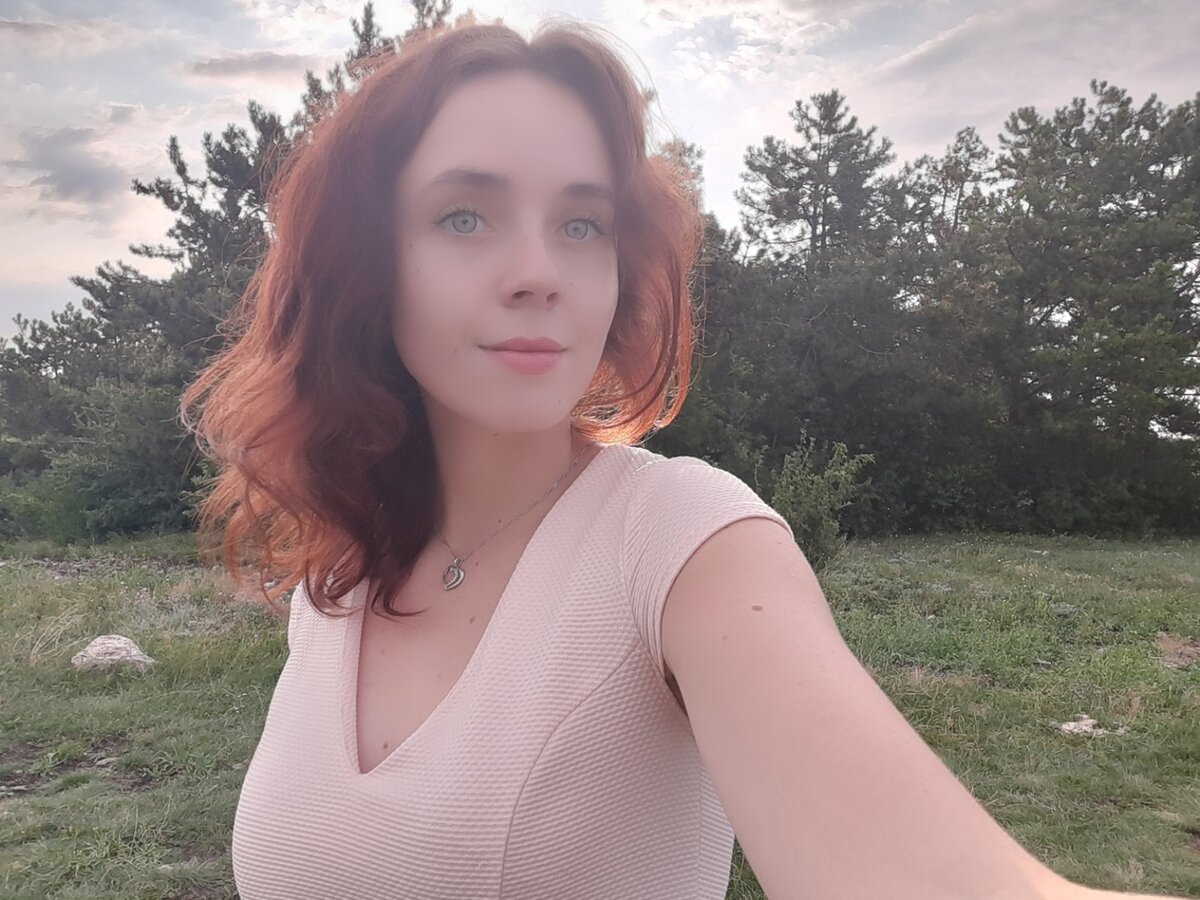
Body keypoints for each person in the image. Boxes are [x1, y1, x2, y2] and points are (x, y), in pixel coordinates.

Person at [181, 16, 1185, 900]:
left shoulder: (684, 542)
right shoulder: (337, 582)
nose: (538, 272)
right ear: (367, 265)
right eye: (464, 216)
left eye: (582, 223)